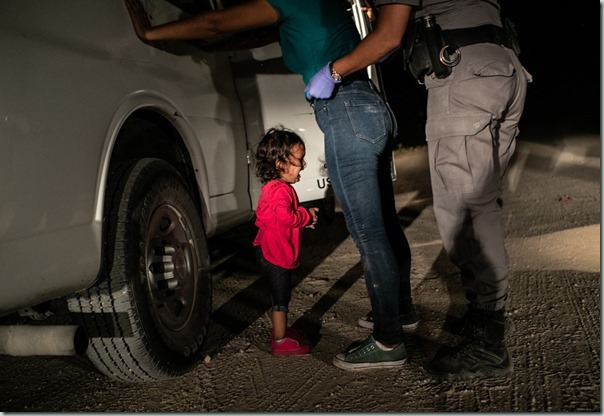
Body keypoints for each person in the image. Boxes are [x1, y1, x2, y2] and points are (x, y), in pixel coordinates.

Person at [123, 0, 418, 371]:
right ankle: (400, 312)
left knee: (369, 234)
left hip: (345, 110)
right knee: (385, 227)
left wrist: (149, 32)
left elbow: (216, 22)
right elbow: (244, 35)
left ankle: (389, 339)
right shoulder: (309, 10)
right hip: (368, 107)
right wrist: (205, 47)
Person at [306, 0, 531, 380]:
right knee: (482, 206)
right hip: (503, 67)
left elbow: (388, 36)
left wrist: (333, 70)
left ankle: (489, 344)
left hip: (464, 76)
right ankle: (483, 319)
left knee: (465, 216)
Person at [252, 126, 318, 356]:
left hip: (267, 250)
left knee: (280, 295)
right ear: (281, 164)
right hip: (275, 254)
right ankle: (279, 341)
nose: (303, 164)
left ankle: (281, 332)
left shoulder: (273, 188)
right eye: (299, 160)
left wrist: (303, 218)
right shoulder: (281, 190)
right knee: (281, 297)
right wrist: (305, 215)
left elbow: (277, 217)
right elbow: (286, 217)